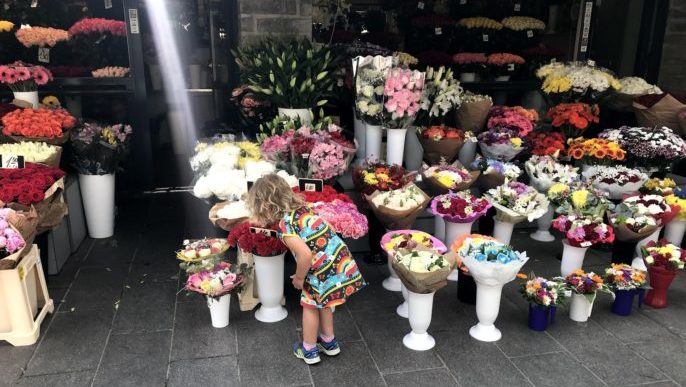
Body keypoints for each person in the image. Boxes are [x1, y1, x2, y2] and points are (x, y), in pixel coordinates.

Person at [246, 174, 366, 365]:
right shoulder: (304, 210)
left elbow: (305, 255)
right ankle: (329, 342)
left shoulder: (286, 226)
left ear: (265, 207)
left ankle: (309, 349)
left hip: (319, 269)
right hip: (338, 262)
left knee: (309, 307)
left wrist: (300, 278)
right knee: (325, 303)